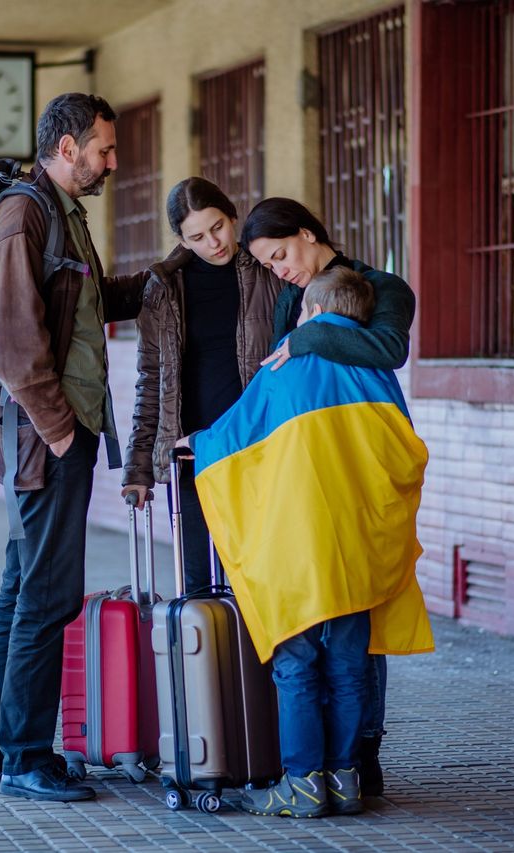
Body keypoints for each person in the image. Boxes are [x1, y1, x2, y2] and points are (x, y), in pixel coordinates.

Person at [180, 267, 433, 818]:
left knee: (296, 666)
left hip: (299, 547)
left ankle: (302, 783)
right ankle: (344, 780)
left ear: (312, 314)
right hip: (358, 548)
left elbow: (236, 434)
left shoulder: (285, 366)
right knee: (347, 666)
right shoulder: (376, 375)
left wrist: (195, 441)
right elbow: (404, 452)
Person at [0, 93, 148, 803]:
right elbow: (8, 339)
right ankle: (23, 757)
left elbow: (87, 302)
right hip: (44, 438)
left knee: (22, 590)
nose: (112, 161)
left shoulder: (60, 214)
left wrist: (162, 278)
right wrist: (63, 432)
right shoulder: (26, 213)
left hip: (44, 436)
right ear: (67, 146)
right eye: (103, 149)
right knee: (47, 596)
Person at [241, 197, 418, 797]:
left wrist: (313, 332)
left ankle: (361, 754)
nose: (280, 271)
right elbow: (280, 374)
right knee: (338, 632)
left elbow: (387, 350)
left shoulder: (383, 287)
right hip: (306, 478)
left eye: (282, 254)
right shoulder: (292, 298)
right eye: (268, 264)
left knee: (357, 629)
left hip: (359, 473)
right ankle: (334, 767)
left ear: (310, 233)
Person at [120, 177, 285, 594]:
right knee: (198, 586)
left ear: (233, 216)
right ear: (181, 239)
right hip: (192, 456)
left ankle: (260, 663)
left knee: (265, 582)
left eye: (218, 227)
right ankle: (209, 662)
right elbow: (151, 381)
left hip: (259, 447)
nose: (213, 243)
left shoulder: (268, 273)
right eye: (197, 236)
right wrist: (138, 466)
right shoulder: (164, 289)